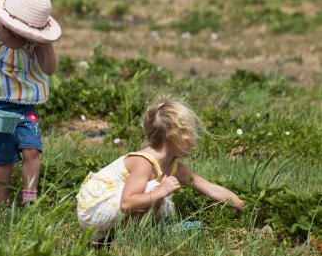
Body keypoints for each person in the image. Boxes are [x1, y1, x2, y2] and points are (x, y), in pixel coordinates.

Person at [77, 96, 245, 240]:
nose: (194, 139)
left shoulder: (174, 167)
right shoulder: (144, 162)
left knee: (159, 197)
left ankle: (121, 236)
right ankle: (125, 240)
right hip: (95, 210)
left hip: (110, 212)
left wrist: (246, 206)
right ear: (176, 136)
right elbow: (126, 203)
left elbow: (210, 188)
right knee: (155, 190)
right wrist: (160, 192)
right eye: (191, 134)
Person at [0, 0, 61, 205]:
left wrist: (46, 46)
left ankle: (29, 198)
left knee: (32, 151)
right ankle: (0, 202)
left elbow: (49, 69)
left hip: (25, 108)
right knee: (5, 159)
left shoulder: (35, 42)